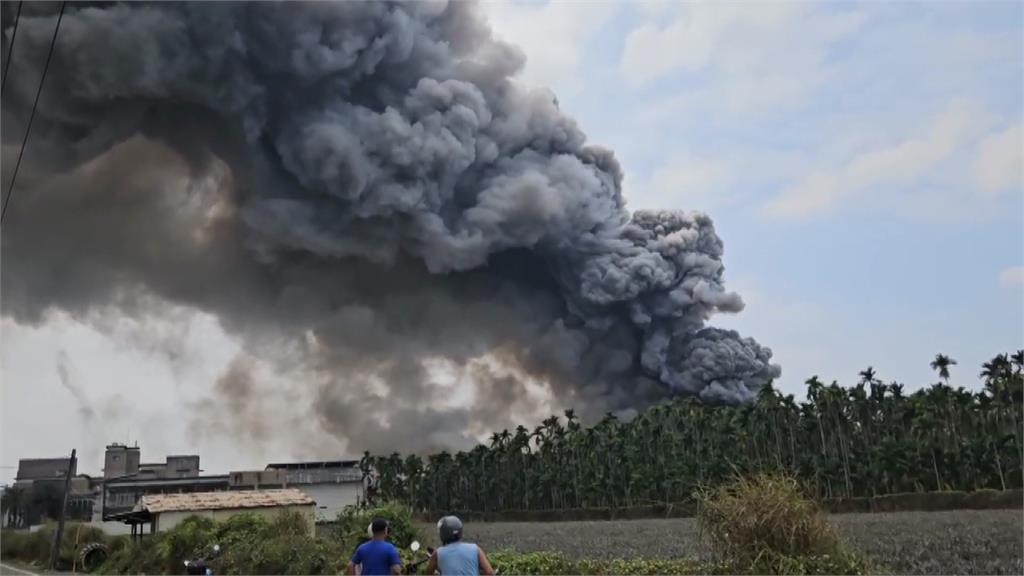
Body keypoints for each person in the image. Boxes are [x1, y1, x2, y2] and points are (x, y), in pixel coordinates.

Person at [425, 516, 494, 576]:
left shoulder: (438, 553)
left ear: (442, 533)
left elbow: (428, 573)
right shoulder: (475, 548)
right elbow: (490, 572)